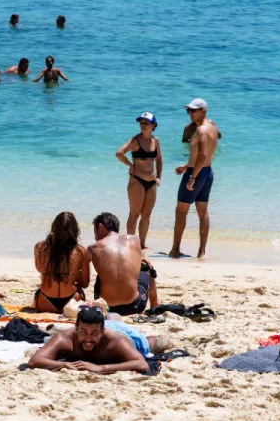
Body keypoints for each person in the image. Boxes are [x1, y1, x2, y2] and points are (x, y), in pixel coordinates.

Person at [27, 305, 171, 374]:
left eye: (94, 333)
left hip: (126, 334)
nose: (88, 338)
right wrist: (64, 365)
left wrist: (101, 368)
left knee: (149, 344)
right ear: (76, 329)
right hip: (104, 324)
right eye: (83, 332)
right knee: (109, 319)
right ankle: (110, 315)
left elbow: (141, 363)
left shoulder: (116, 341)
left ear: (103, 332)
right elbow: (34, 361)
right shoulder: (64, 338)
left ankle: (164, 339)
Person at [170, 98, 220, 259]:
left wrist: (191, 176)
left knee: (180, 212)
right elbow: (205, 153)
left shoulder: (200, 131)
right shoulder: (211, 126)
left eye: (194, 110)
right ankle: (202, 251)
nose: (190, 114)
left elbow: (203, 155)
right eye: (189, 111)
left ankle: (175, 250)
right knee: (202, 211)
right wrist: (186, 165)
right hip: (207, 172)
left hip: (196, 173)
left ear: (203, 111)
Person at [89, 212, 158, 315]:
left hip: (105, 307)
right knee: (146, 267)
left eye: (95, 232)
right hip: (134, 306)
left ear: (100, 227)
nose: (95, 237)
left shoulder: (93, 248)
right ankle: (155, 305)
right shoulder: (134, 239)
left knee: (102, 276)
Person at [115, 112, 162, 248]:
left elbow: (159, 159)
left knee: (146, 215)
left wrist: (159, 177)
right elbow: (119, 153)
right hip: (137, 181)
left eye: (146, 123)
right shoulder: (135, 140)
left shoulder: (156, 141)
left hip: (152, 182)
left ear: (153, 125)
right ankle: (130, 244)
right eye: (141, 123)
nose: (143, 125)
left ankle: (141, 244)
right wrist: (131, 165)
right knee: (134, 214)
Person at [33, 212, 89, 313]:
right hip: (71, 301)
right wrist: (74, 275)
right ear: (75, 230)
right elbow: (85, 283)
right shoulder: (80, 251)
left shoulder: (40, 247)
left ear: (53, 228)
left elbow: (39, 268)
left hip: (44, 302)